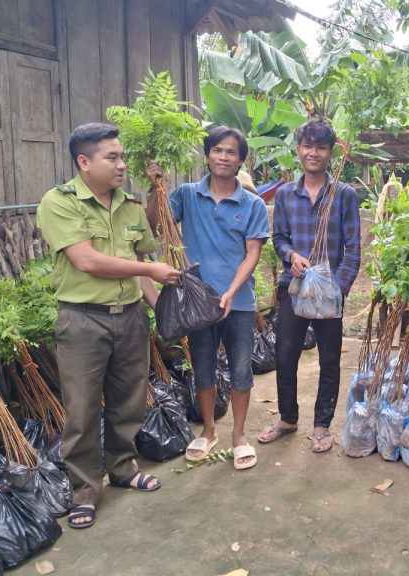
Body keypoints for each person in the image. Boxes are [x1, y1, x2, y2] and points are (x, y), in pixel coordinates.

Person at [37, 123, 181, 530]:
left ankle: (121, 467)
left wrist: (163, 314)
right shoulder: (60, 202)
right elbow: (88, 261)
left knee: (129, 400)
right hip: (84, 320)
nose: (121, 165)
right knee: (82, 409)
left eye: (121, 157)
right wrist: (149, 268)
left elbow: (145, 272)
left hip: (130, 318)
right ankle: (84, 491)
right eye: (111, 158)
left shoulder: (131, 204)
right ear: (84, 162)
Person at [146, 126, 269, 470]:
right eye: (217, 150)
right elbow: (156, 227)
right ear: (208, 154)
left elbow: (252, 253)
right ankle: (210, 430)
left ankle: (240, 435)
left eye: (231, 152)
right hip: (197, 302)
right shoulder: (186, 194)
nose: (224, 157)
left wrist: (231, 291)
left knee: (242, 369)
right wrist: (155, 189)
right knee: (204, 369)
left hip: (239, 302)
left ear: (241, 160)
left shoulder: (253, 204)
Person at [259, 118, 361, 453]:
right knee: (285, 355)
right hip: (294, 288)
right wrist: (291, 256)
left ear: (330, 152)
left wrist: (337, 289)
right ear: (298, 149)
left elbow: (352, 250)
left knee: (329, 359)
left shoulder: (344, 195)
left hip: (329, 293)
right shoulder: (287, 195)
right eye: (307, 146)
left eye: (320, 147)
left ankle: (321, 426)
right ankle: (287, 419)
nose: (312, 153)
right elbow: (279, 238)